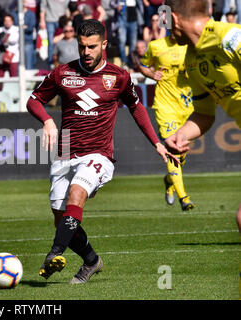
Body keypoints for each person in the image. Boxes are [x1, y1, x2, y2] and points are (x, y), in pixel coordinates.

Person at [26, 19, 178, 284]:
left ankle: (54, 254)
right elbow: (33, 100)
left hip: (98, 154)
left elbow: (137, 107)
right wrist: (47, 120)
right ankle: (92, 261)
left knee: (77, 193)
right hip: (64, 153)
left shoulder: (119, 77)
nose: (86, 52)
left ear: (104, 44)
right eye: (82, 47)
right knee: (61, 220)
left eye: (92, 47)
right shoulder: (62, 73)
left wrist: (156, 142)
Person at [163, 0, 240, 230]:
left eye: (164, 20)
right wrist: (181, 135)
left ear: (174, 18)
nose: (163, 27)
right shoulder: (191, 59)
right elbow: (204, 114)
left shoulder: (229, 37)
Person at [139, 33, 196, 211]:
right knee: (173, 149)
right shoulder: (156, 46)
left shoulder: (191, 46)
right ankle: (183, 197)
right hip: (165, 106)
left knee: (183, 153)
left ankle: (170, 181)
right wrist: (150, 73)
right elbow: (142, 65)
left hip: (187, 105)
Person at [0, 13, 19, 90]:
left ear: (12, 21)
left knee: (13, 77)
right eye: (5, 20)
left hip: (12, 57)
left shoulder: (16, 29)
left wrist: (4, 38)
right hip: (1, 56)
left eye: (9, 21)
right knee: (0, 77)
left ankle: (15, 92)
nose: (7, 22)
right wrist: (2, 39)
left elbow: (14, 40)